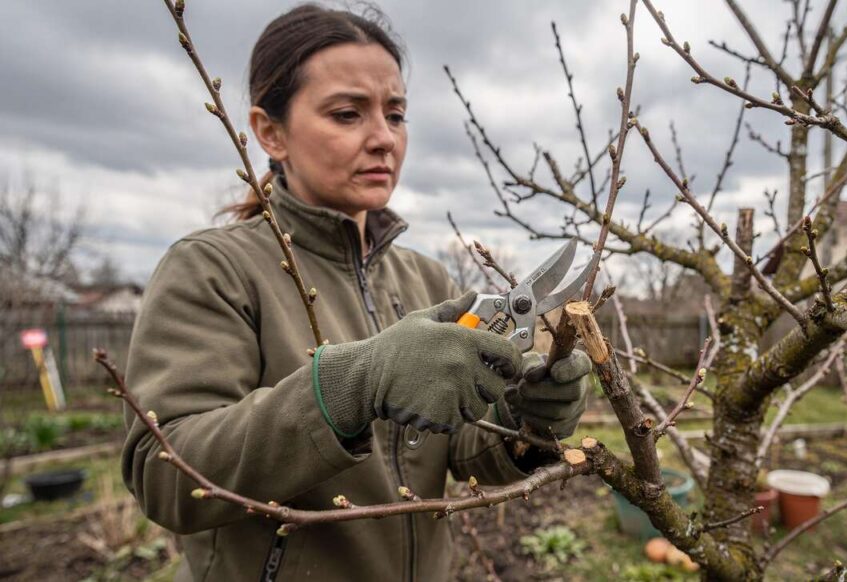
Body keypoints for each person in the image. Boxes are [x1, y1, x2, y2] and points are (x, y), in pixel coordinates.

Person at [121, 4, 591, 581]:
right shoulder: (214, 268)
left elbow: (463, 451)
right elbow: (164, 476)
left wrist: (524, 423)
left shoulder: (427, 279)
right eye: (347, 114)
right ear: (270, 132)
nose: (383, 139)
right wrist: (352, 384)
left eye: (396, 115)